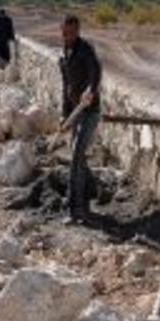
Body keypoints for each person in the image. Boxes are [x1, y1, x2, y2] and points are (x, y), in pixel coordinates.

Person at [58, 14, 102, 223]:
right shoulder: (65, 53)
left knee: (76, 156)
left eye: (72, 31)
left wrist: (90, 90)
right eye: (65, 31)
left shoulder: (85, 50)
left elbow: (96, 71)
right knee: (79, 158)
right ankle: (92, 191)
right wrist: (64, 115)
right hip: (74, 114)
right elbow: (66, 87)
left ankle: (75, 209)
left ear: (78, 31)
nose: (68, 35)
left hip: (89, 111)